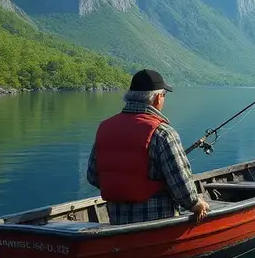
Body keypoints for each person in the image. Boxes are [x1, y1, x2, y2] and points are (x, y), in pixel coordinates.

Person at [86, 69, 210, 225]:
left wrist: (122, 188)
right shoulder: (163, 133)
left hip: (117, 220)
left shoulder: (105, 128)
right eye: (164, 95)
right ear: (158, 97)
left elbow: (92, 176)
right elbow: (180, 183)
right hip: (158, 222)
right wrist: (196, 204)